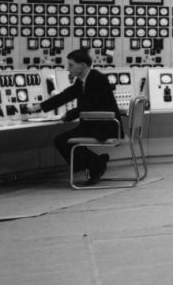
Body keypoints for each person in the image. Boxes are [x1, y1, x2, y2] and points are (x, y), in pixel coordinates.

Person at [23, 48, 121, 184]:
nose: (68, 68)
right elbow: (66, 95)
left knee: (62, 140)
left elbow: (89, 106)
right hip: (94, 125)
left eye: (71, 65)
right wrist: (38, 107)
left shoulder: (97, 79)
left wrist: (66, 116)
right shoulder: (82, 81)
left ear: (83, 65)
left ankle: (96, 164)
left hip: (105, 126)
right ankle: (96, 163)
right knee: (66, 140)